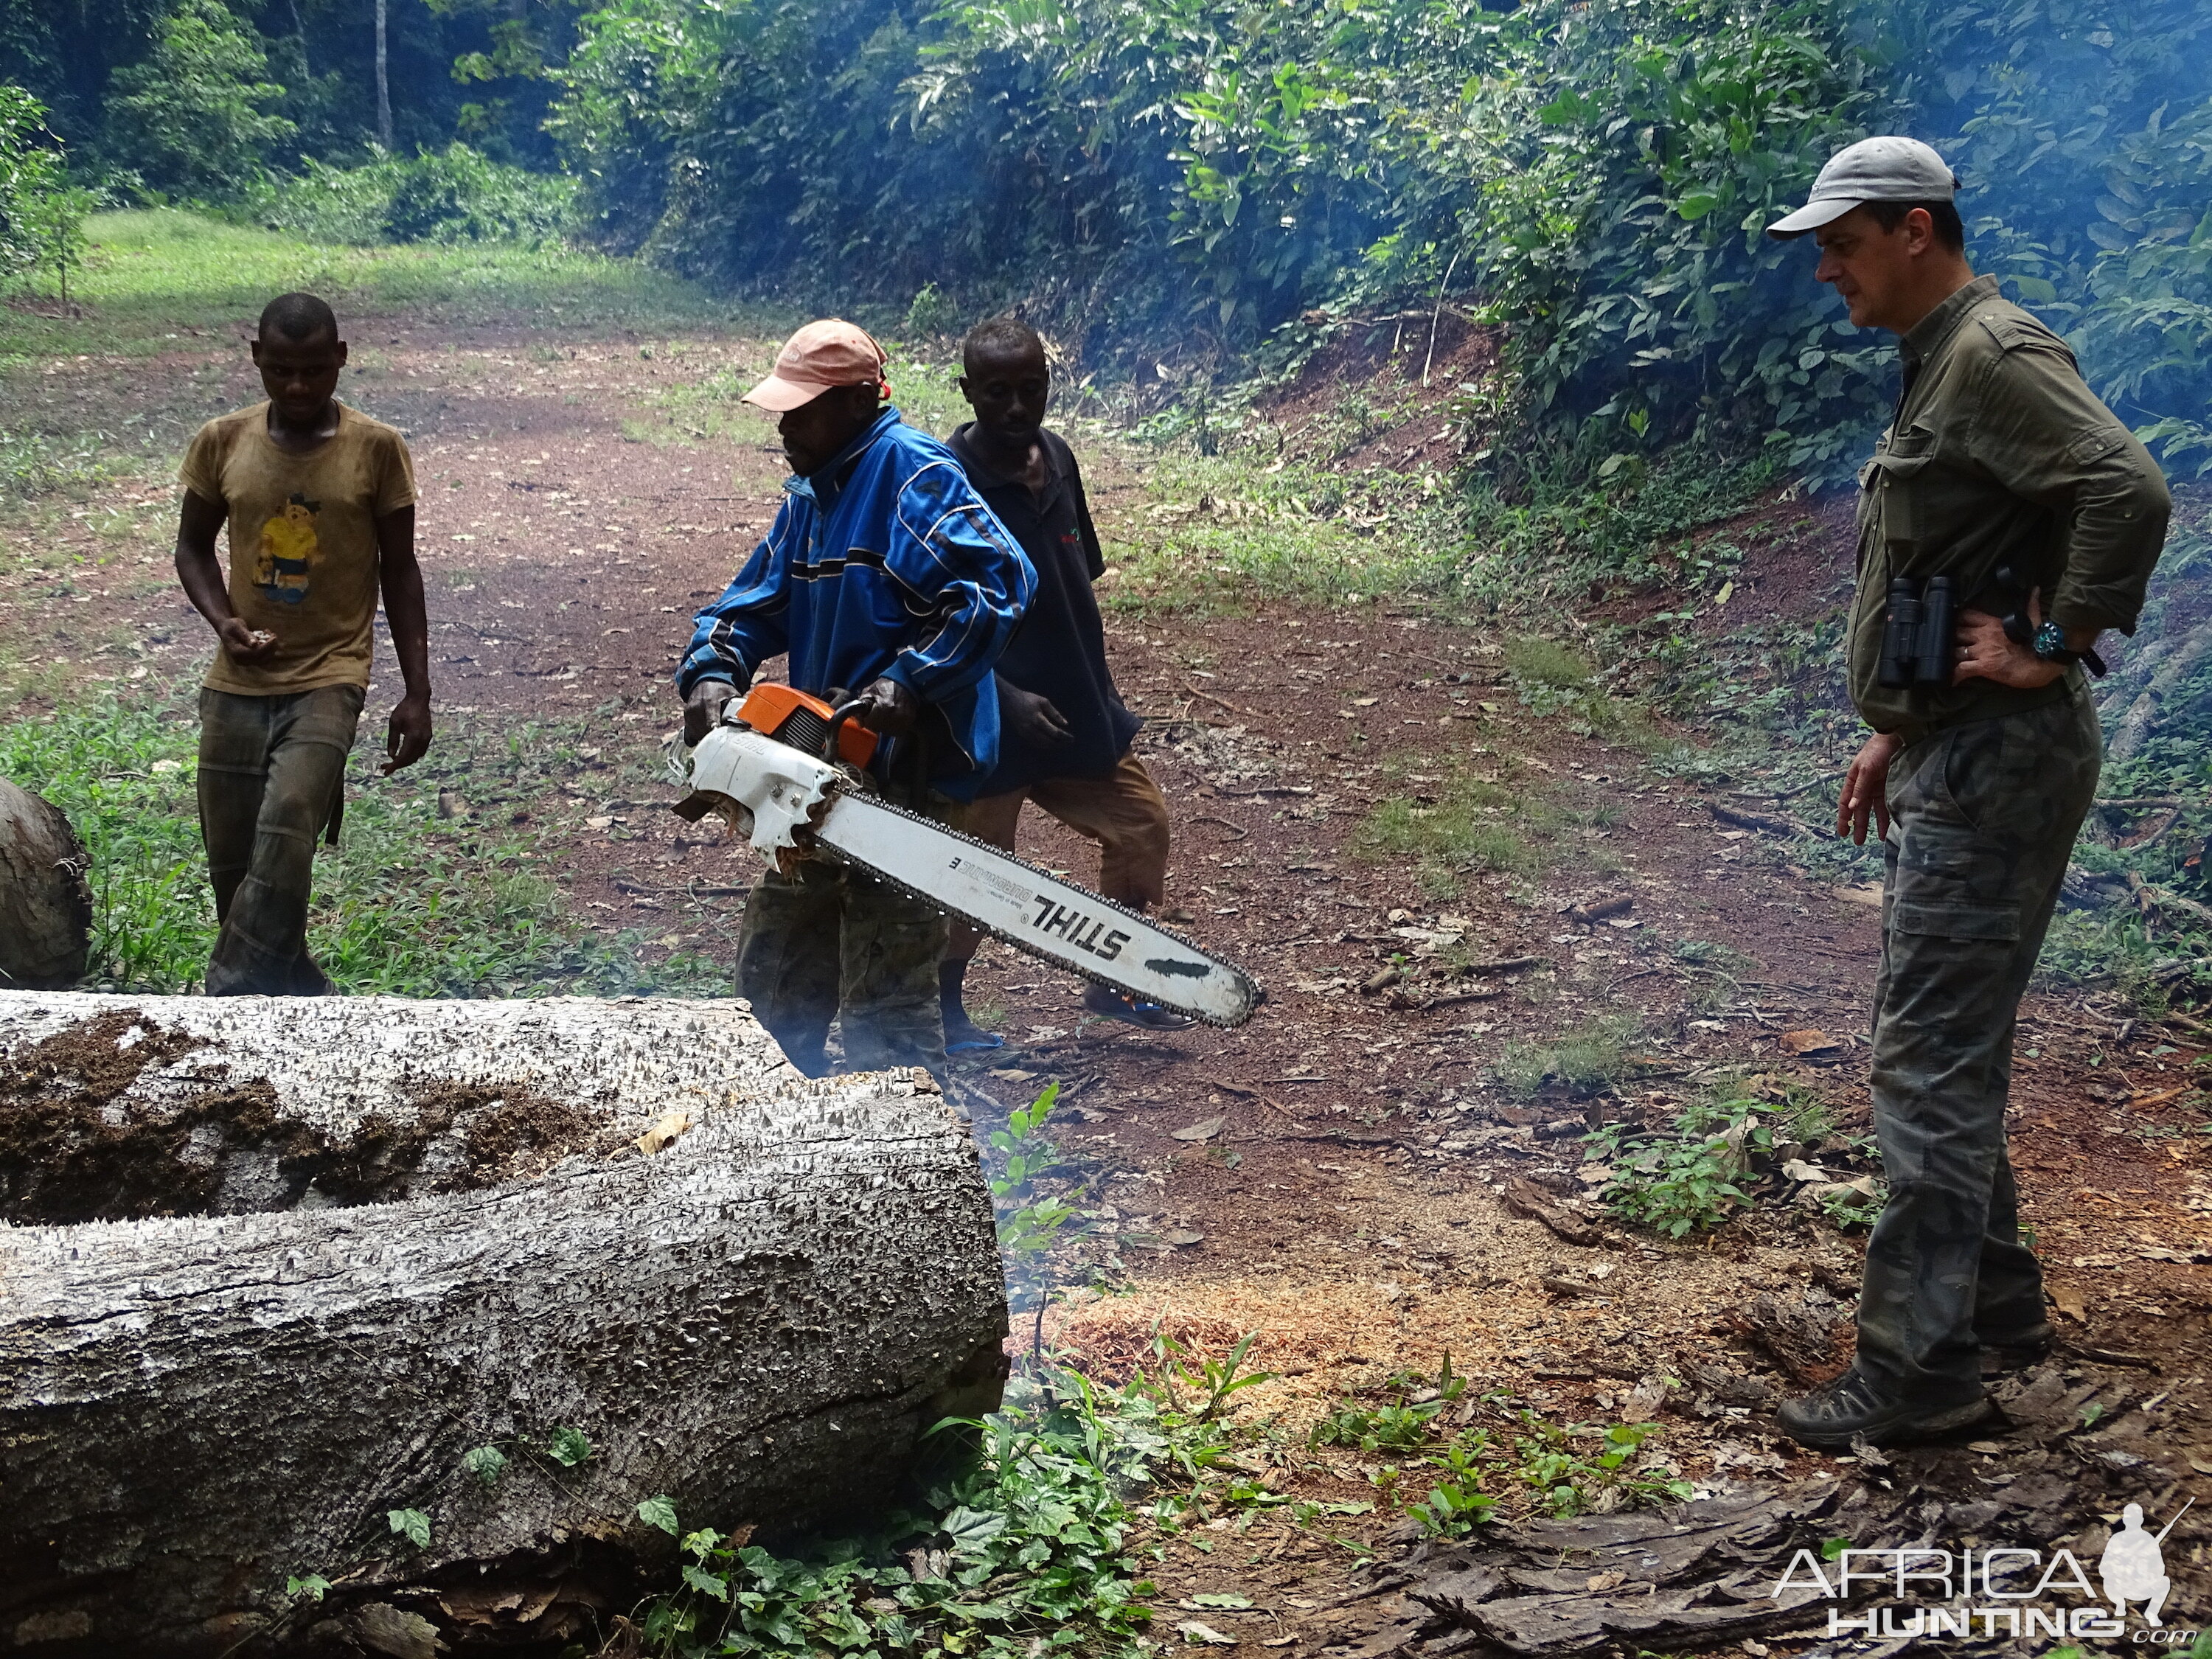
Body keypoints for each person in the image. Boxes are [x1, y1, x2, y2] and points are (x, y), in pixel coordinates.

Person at [1764, 138, 2170, 1447]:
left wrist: (2050, 646)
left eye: (1843, 242)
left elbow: (2128, 487)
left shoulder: (1993, 352)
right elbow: (1956, 558)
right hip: (1958, 746)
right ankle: (1994, 1305)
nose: (1826, 268)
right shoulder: (1940, 357)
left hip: (2004, 758)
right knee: (1943, 1035)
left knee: (1926, 1058)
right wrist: (1901, 723)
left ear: (1918, 229)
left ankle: (1918, 1373)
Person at [677, 319, 1034, 1081]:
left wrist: (911, 678)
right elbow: (749, 602)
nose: (785, 427)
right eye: (783, 410)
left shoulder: (911, 474)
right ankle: (769, 1138)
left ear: (860, 401)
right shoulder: (815, 493)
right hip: (815, 766)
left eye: (802, 410)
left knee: (889, 1000)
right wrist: (713, 668)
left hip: (906, 781)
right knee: (773, 981)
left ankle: (910, 1163)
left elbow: (1002, 580)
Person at [937, 316, 1191, 1050]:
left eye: (1030, 389)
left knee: (1142, 825)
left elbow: (1082, 572)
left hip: (1077, 701)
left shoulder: (1060, 457)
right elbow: (930, 613)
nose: (1016, 408)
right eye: (997, 393)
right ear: (969, 393)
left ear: (1048, 386)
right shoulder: (946, 479)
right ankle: (945, 1011)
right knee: (975, 872)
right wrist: (1002, 696)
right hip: (987, 717)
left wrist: (1090, 685)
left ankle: (1121, 977)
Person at [174, 292, 432, 995]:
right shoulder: (222, 442)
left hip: (330, 673)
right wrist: (224, 621)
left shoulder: (376, 449)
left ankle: (227, 993)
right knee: (233, 865)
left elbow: (400, 569)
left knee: (289, 820)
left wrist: (417, 691)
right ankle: (300, 993)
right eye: (281, 370)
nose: (297, 386)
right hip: (238, 677)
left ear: (340, 360)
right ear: (256, 358)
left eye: (314, 371)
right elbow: (192, 550)